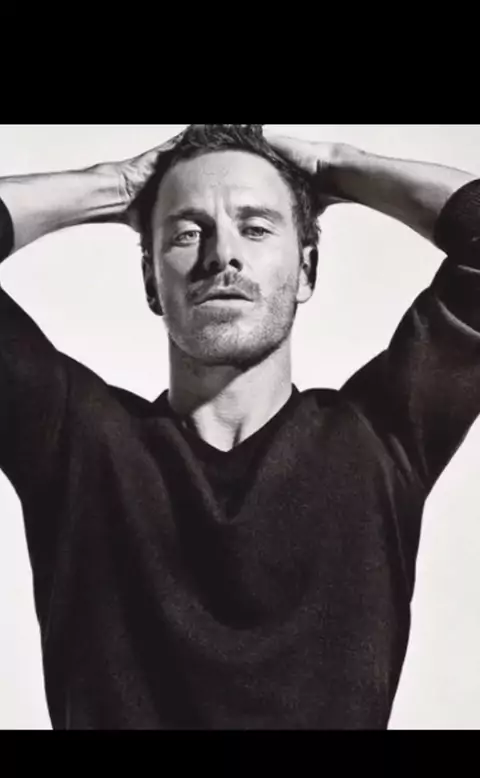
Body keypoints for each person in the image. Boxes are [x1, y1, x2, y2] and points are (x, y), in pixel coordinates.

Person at [0, 124, 479, 730]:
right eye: (188, 232)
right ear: (151, 282)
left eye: (255, 228)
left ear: (307, 270)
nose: (221, 255)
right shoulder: (77, 445)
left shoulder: (378, 441)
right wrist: (113, 184)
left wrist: (336, 165)